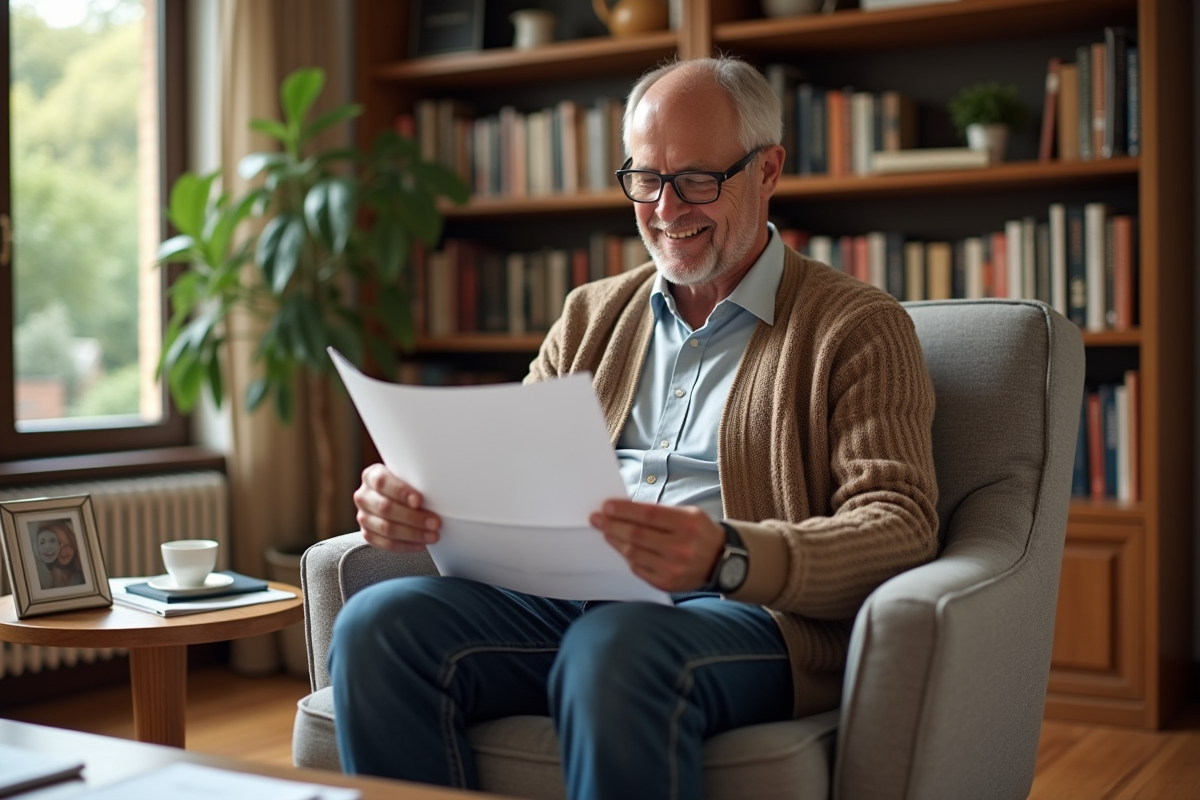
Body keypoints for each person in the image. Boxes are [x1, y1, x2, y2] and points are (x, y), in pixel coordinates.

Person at [330, 55, 939, 800]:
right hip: (569, 598)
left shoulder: (858, 326)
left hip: (743, 614)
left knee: (613, 649)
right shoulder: (591, 314)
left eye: (696, 180)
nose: (665, 208)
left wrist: (730, 552)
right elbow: (510, 465)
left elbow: (900, 522)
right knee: (378, 626)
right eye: (646, 179)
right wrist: (416, 498)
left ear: (769, 168)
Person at [43, 521, 85, 589]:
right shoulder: (52, 575)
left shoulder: (78, 573)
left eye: (67, 545)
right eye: (57, 546)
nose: (63, 552)